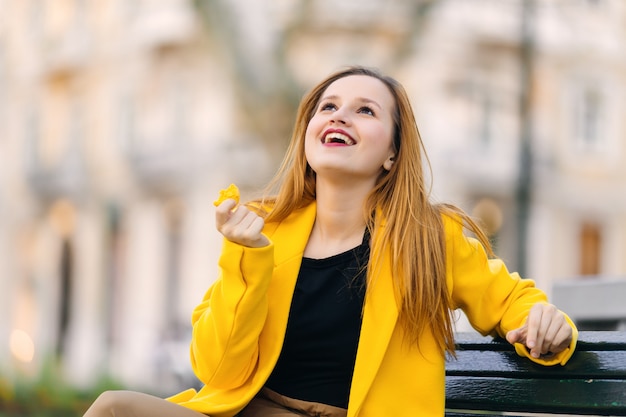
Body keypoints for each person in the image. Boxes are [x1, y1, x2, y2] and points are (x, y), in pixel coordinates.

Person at [83, 66, 577, 417]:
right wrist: (244, 262)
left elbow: (512, 301)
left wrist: (544, 323)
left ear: (391, 152)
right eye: (329, 106)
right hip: (252, 410)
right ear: (308, 133)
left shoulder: (430, 238)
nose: (340, 116)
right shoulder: (264, 227)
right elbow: (215, 366)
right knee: (112, 409)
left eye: (365, 110)